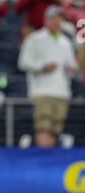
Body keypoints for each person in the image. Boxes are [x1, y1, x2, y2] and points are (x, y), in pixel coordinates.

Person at [18, 5, 78, 147]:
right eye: (53, 18)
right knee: (43, 128)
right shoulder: (34, 39)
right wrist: (43, 66)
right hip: (42, 92)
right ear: (45, 20)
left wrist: (72, 69)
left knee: (55, 131)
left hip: (62, 93)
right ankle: (43, 162)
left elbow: (73, 65)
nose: (56, 22)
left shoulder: (66, 41)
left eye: (59, 18)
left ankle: (48, 162)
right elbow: (23, 63)